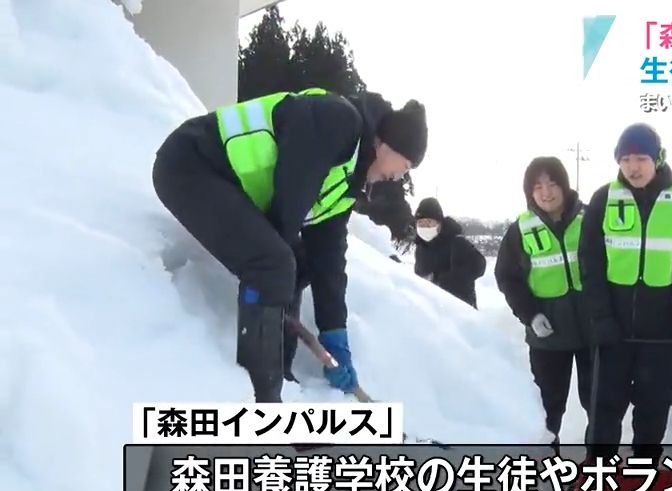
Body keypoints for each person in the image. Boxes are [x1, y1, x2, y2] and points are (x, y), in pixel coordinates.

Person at [151, 87, 428, 403]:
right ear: (387, 145)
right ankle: (261, 395)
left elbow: (329, 263)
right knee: (275, 263)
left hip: (227, 185)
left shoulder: (347, 184)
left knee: (295, 264)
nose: (401, 176)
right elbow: (292, 186)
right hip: (192, 163)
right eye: (406, 165)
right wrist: (278, 271)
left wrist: (334, 333)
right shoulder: (338, 120)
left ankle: (281, 374)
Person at [579, 122, 672, 464]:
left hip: (659, 330)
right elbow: (589, 264)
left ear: (658, 159)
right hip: (613, 329)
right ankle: (598, 475)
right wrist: (601, 319)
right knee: (605, 407)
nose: (633, 167)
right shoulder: (604, 200)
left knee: (653, 406)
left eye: (641, 158)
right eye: (626, 159)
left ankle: (643, 473)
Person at [495, 157, 592, 450]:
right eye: (537, 186)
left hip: (594, 331)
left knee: (600, 403)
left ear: (564, 185)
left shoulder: (591, 219)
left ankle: (597, 468)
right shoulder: (521, 229)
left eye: (552, 183)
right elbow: (507, 277)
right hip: (547, 337)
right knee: (548, 409)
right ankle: (550, 466)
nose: (546, 192)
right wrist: (531, 315)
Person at [412, 197, 486, 308]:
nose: (425, 227)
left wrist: (452, 279)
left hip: (460, 307)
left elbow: (480, 265)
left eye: (429, 222)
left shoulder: (457, 242)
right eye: (421, 223)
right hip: (429, 308)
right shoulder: (421, 248)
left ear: (439, 223)